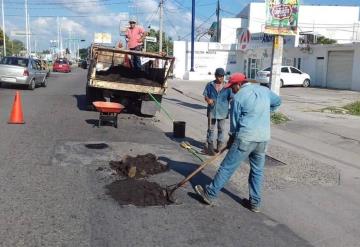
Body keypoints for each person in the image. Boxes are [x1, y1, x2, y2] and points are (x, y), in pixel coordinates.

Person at [195, 72, 282, 212]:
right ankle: (255, 203)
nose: (231, 89)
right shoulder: (264, 90)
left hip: (245, 138)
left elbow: (234, 126)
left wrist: (230, 141)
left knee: (227, 167)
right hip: (263, 139)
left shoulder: (238, 98)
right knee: (257, 171)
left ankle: (210, 194)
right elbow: (278, 102)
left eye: (232, 87)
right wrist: (265, 113)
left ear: (239, 84)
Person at [203, 68, 232, 156]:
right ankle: (210, 146)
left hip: (223, 112)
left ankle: (219, 147)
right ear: (215, 76)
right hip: (212, 111)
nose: (221, 78)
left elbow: (231, 97)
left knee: (221, 129)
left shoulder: (227, 86)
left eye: (222, 76)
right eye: (219, 76)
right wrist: (208, 100)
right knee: (210, 129)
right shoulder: (210, 85)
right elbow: (205, 95)